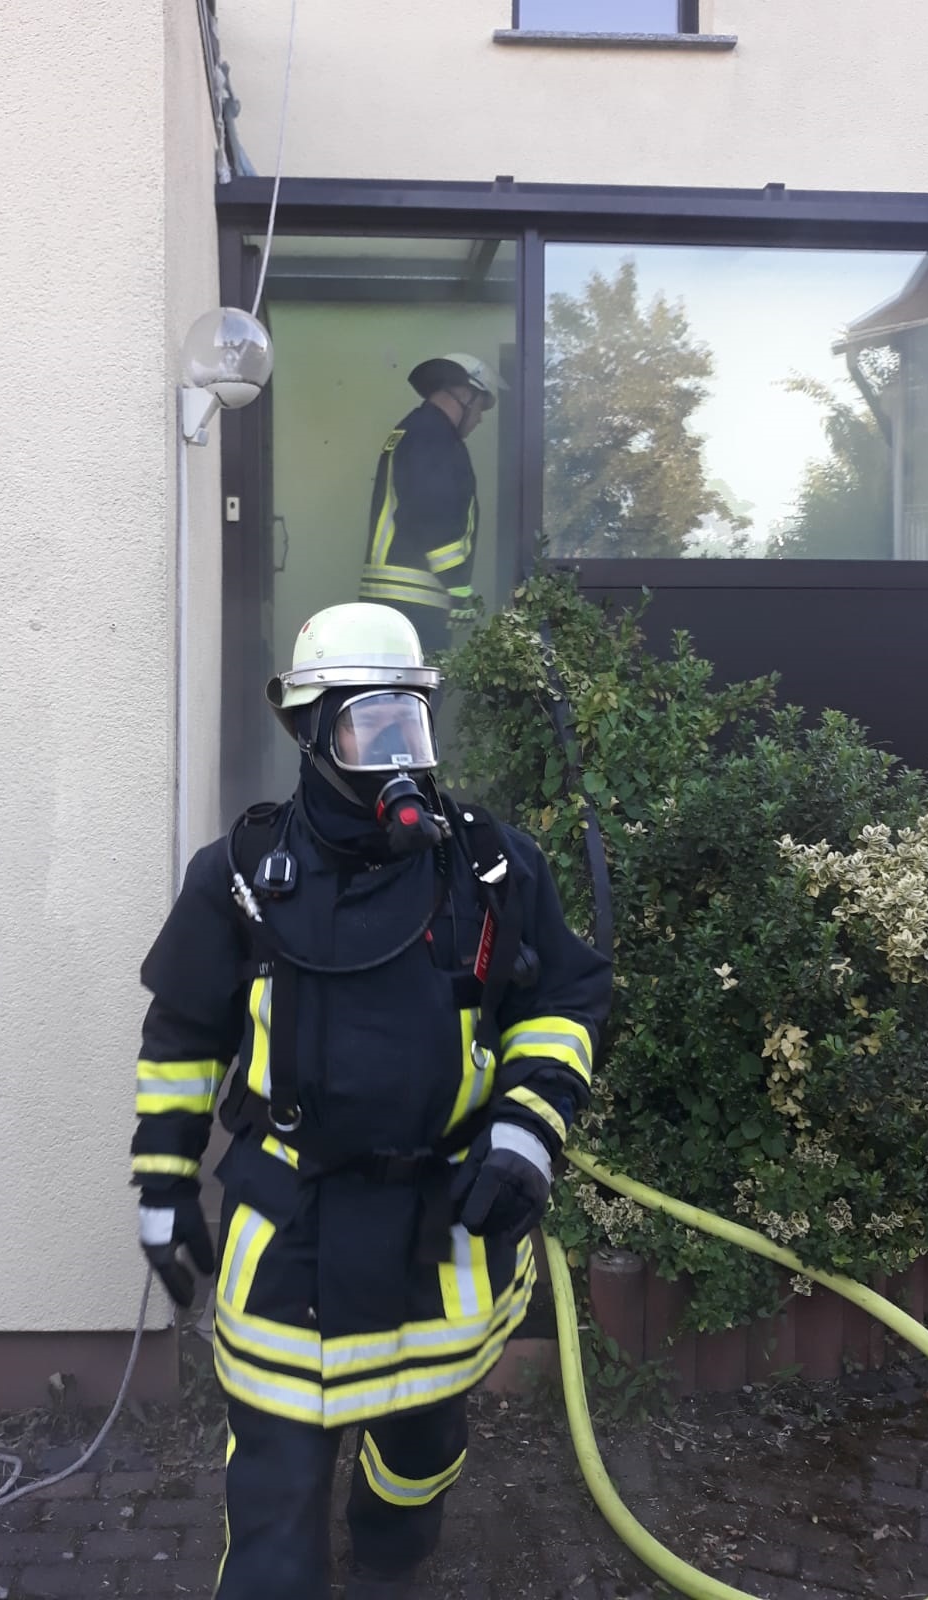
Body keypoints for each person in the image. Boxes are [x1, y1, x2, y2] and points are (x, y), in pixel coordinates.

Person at [130, 602, 611, 1600]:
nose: (397, 753)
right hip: (293, 1229)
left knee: (423, 1447)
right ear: (311, 732)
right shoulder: (241, 878)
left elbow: (562, 1001)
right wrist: (165, 1186)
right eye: (367, 724)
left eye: (410, 720)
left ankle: (391, 1556)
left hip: (442, 1230)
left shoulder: (489, 867)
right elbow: (183, 1035)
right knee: (274, 1504)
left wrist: (527, 1131)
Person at [360, 354, 505, 655]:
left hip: (395, 603)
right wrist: (457, 586)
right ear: (464, 393)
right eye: (480, 408)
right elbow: (433, 512)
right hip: (414, 604)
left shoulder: (415, 429)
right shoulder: (435, 437)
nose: (479, 419)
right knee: (420, 683)